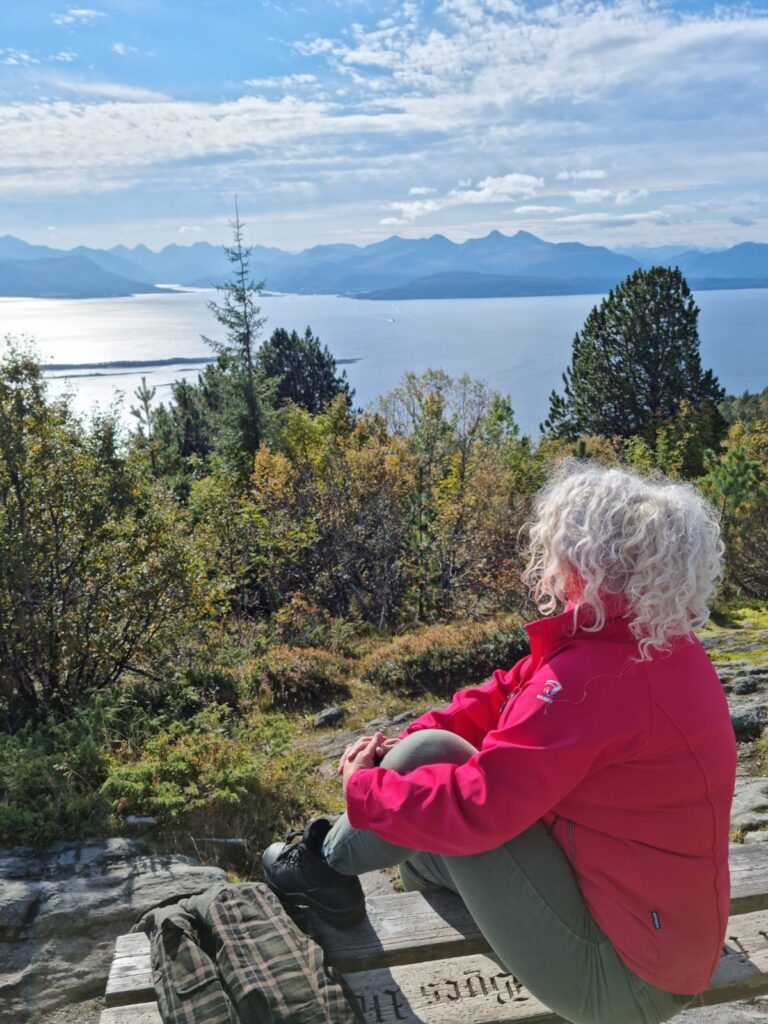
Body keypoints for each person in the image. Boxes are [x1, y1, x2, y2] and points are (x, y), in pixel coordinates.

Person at [262, 464, 736, 1024]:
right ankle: (350, 863)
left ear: (587, 560)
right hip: (669, 936)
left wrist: (364, 788)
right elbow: (509, 690)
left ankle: (321, 870)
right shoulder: (653, 642)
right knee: (423, 788)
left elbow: (477, 803)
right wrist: (406, 738)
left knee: (434, 766)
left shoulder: (595, 679)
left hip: (626, 981)